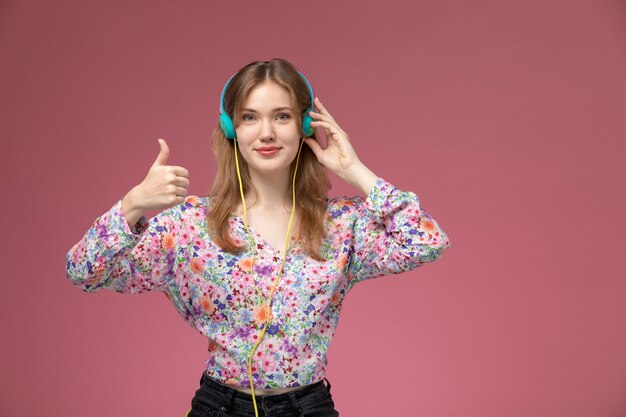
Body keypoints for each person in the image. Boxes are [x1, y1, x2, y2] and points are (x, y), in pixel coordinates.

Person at [66, 58, 451, 417]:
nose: (266, 132)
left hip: (309, 406)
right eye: (250, 117)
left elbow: (426, 241)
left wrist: (355, 169)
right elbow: (84, 270)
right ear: (232, 128)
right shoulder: (191, 224)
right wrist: (133, 203)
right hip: (220, 405)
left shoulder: (340, 224)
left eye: (281, 116)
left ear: (303, 127)